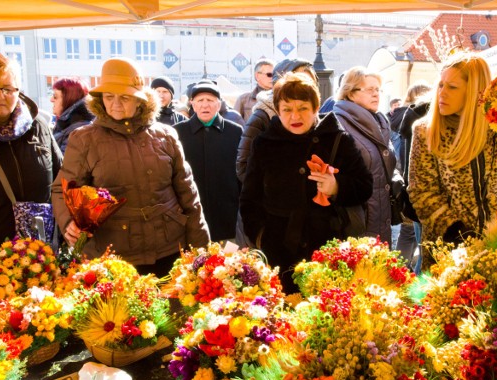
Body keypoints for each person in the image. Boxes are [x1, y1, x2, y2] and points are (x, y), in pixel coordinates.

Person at [52, 57, 210, 277]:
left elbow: (189, 195)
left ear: (140, 100)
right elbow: (62, 188)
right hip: (113, 257)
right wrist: (68, 221)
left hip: (169, 248)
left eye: (124, 97)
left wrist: (201, 251)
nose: (115, 104)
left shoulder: (165, 135)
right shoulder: (84, 139)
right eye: (109, 97)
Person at [240, 72, 373, 294]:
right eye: (287, 109)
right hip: (278, 251)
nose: (295, 116)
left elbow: (365, 185)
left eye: (302, 108)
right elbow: (249, 198)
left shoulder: (338, 139)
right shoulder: (265, 144)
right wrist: (260, 236)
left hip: (327, 249)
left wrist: (337, 187)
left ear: (315, 107)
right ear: (278, 110)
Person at [408, 52, 497, 266]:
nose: (442, 93)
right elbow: (422, 192)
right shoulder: (426, 132)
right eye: (440, 85)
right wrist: (457, 234)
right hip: (449, 252)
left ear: (477, 92)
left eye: (452, 87)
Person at [0, 49, 62, 262]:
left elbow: (60, 181)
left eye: (8, 88)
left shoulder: (38, 127)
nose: (0, 96)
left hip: (42, 253)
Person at [235, 58, 317, 248]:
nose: (302, 87)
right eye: (296, 80)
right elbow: (243, 167)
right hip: (269, 222)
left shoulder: (315, 120)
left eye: (309, 81)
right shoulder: (262, 115)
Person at [333, 66, 403, 243]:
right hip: (355, 220)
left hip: (381, 215)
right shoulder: (339, 123)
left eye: (378, 89)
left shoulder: (380, 122)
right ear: (350, 93)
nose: (376, 94)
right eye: (370, 89)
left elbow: (386, 165)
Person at [174, 80, 242, 242]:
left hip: (226, 211)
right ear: (192, 104)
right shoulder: (178, 132)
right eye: (200, 101)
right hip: (191, 211)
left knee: (228, 264)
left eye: (210, 100)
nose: (205, 105)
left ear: (219, 104)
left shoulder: (235, 131)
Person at [392, 81, 432, 274]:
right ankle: (403, 274)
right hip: (413, 187)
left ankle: (398, 272)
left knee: (409, 235)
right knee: (422, 247)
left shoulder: (398, 117)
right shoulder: (420, 119)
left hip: (404, 185)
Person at [51, 77, 93, 153]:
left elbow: (63, 162)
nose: (51, 99)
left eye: (55, 96)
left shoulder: (78, 129)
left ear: (69, 98)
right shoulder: (67, 124)